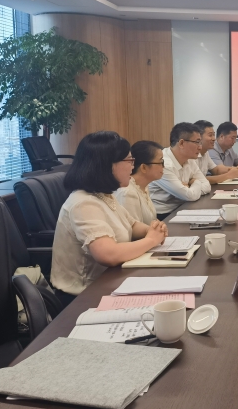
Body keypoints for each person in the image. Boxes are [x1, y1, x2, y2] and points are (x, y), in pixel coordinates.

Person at [51, 131, 168, 307]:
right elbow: (108, 254)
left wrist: (151, 229)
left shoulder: (104, 195)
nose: (132, 166)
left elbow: (131, 225)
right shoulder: (83, 203)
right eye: (129, 160)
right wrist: (151, 240)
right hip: (83, 297)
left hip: (111, 282)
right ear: (107, 165)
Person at [149, 122, 211, 218]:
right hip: (163, 215)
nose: (200, 147)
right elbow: (190, 196)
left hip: (183, 207)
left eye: (200, 142)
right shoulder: (163, 164)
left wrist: (189, 186)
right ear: (181, 143)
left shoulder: (189, 159)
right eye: (197, 142)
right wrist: (196, 182)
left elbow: (207, 186)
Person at [114, 140, 164, 225]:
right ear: (144, 167)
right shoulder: (127, 193)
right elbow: (132, 230)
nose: (164, 167)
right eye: (161, 162)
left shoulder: (143, 186)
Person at [194, 120, 238, 184]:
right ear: (198, 137)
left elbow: (217, 170)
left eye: (213, 135)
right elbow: (198, 180)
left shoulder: (205, 153)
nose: (214, 139)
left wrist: (234, 170)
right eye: (210, 135)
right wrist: (228, 176)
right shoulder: (191, 155)